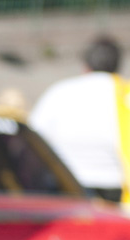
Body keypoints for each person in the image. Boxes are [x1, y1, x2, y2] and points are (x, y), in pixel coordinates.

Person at [29, 35, 124, 200]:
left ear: (85, 66)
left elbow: (33, 137)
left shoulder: (59, 91)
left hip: (67, 186)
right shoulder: (129, 94)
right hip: (118, 186)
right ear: (118, 67)